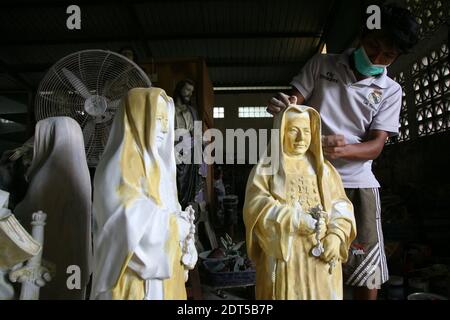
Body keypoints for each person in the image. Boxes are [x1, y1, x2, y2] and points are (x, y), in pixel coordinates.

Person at [267, 4, 419, 300]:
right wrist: (285, 108)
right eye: (373, 45)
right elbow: (294, 105)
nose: (376, 57)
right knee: (310, 260)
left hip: (356, 186)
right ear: (362, 35)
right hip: (310, 183)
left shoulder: (390, 90)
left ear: (397, 57)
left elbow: (376, 146)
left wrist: (344, 149)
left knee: (366, 269)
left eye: (387, 55)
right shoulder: (322, 65)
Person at [91, 87, 197, 300]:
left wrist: (187, 236)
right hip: (135, 282)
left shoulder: (163, 168)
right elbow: (124, 221)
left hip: (165, 277)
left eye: (167, 122)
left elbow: (170, 210)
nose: (165, 130)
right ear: (138, 118)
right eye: (158, 119)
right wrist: (176, 227)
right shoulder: (117, 167)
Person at [243, 105, 356, 299]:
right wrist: (295, 220)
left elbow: (341, 204)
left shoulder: (325, 170)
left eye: (306, 131)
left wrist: (336, 235)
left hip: (321, 259)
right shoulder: (267, 169)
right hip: (286, 258)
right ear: (281, 133)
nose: (301, 139)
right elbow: (256, 206)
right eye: (293, 130)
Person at [13, 117, 92, 300]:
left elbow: (28, 213)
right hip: (75, 260)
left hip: (46, 261)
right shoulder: (81, 173)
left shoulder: (44, 175)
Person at [173, 79, 202, 209]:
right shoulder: (168, 107)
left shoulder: (192, 111)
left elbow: (197, 133)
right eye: (187, 90)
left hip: (188, 152)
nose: (189, 94)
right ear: (179, 88)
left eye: (191, 92)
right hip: (171, 149)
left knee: (187, 184)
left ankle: (185, 207)